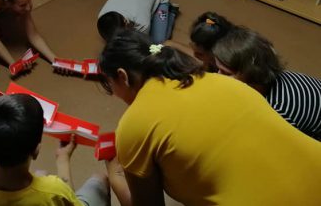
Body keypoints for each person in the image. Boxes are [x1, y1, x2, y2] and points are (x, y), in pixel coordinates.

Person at [99, 28, 321, 206]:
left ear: (122, 76)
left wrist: (115, 173)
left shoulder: (133, 123)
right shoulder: (219, 80)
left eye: (110, 84)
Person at [0, 93, 111, 206]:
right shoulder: (53, 191)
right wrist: (63, 159)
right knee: (101, 178)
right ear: (36, 151)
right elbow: (68, 197)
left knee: (40, 174)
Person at [213, 26, 321, 141]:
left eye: (226, 73)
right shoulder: (270, 75)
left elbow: (291, 144)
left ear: (252, 75)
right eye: (218, 69)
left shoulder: (276, 112)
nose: (218, 75)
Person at [97, 0, 177, 44]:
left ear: (125, 22)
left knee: (158, 41)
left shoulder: (141, 22)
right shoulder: (102, 16)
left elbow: (141, 45)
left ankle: (171, 12)